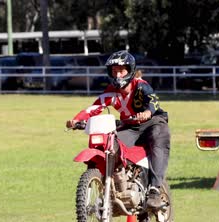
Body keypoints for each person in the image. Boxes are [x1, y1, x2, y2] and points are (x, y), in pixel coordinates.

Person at [66, 50, 170, 208]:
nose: (118, 75)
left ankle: (155, 190)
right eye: (114, 72)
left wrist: (147, 113)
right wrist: (76, 120)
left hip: (153, 122)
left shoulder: (140, 86)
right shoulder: (110, 92)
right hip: (130, 125)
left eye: (121, 71)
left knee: (158, 138)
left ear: (130, 71)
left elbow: (153, 100)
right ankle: (117, 183)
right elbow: (93, 108)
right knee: (111, 143)